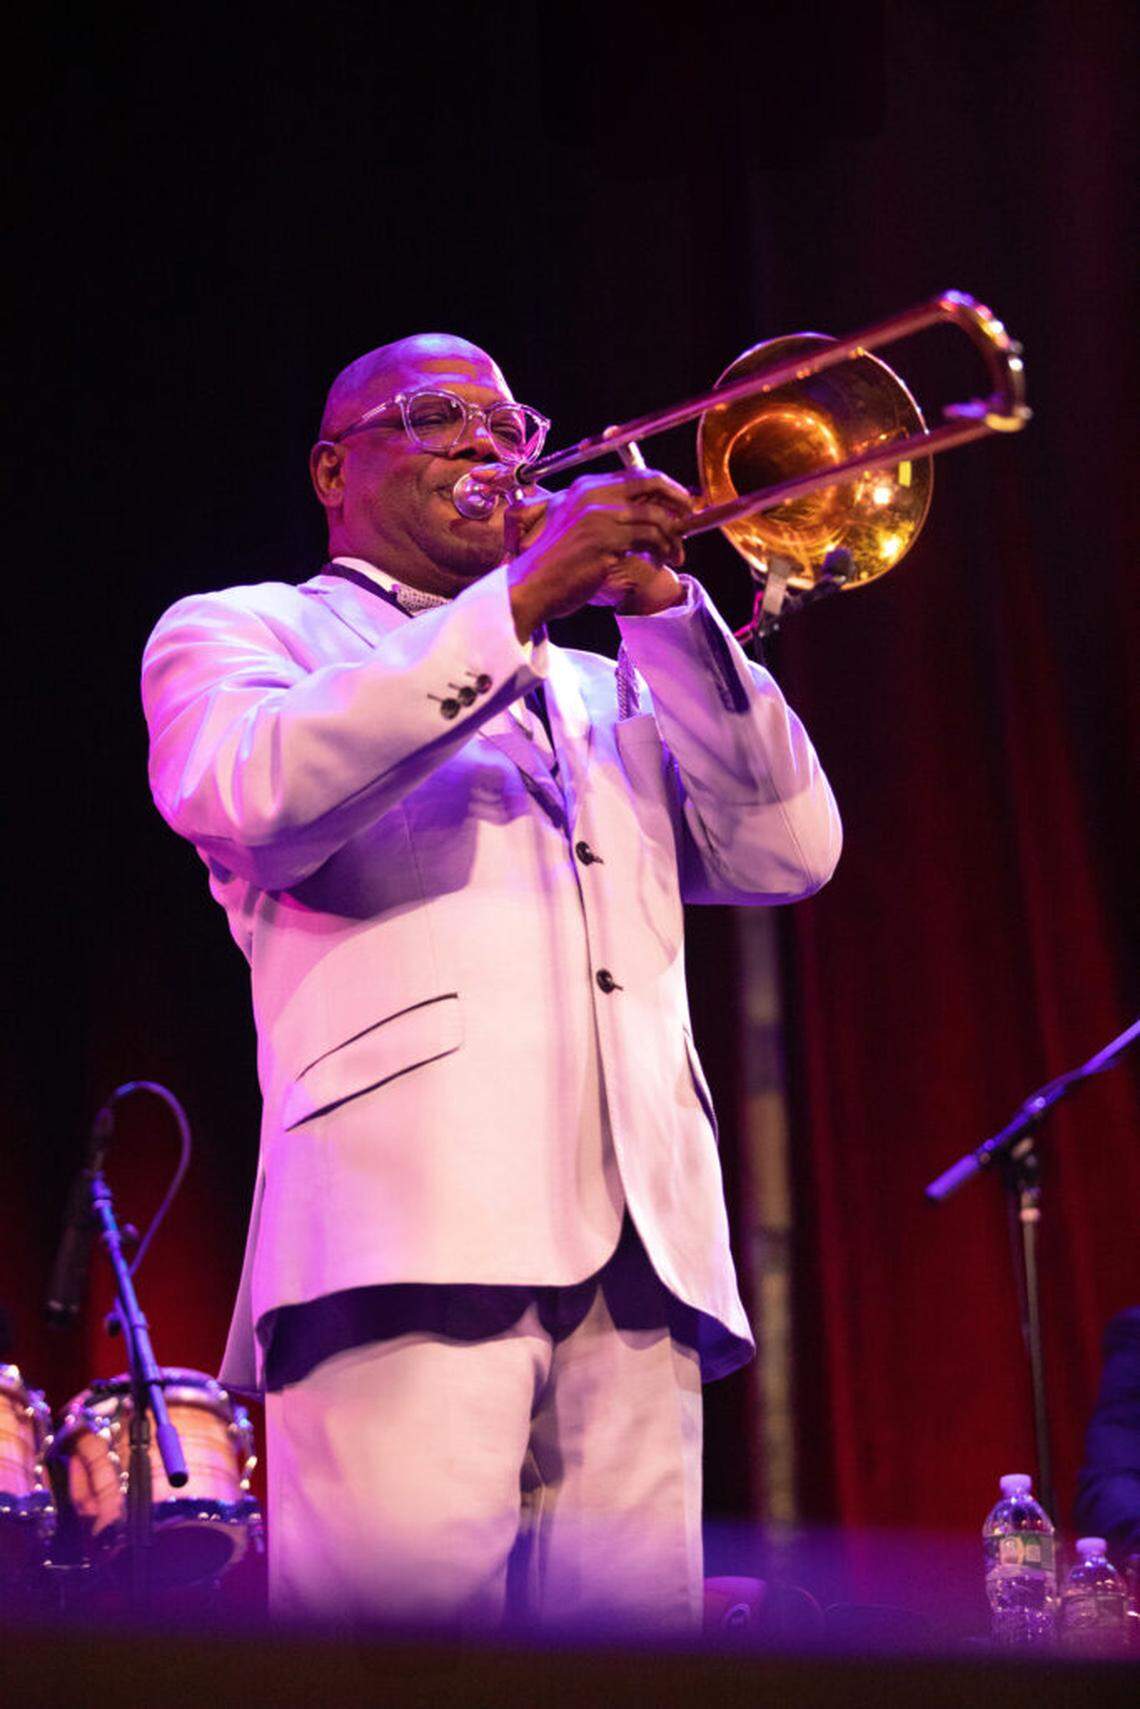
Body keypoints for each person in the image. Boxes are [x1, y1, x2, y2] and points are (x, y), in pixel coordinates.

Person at [141, 333, 842, 1633]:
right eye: (436, 416)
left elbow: (788, 850)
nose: (489, 443)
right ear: (332, 470)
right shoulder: (245, 630)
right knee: (390, 1670)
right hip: (397, 1234)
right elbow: (253, 792)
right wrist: (518, 602)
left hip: (645, 1253)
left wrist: (668, 617)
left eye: (514, 425)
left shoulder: (608, 682)